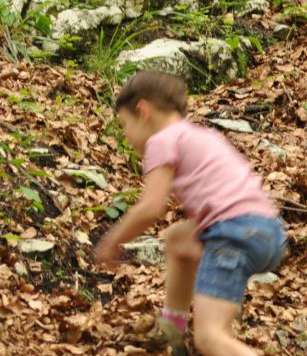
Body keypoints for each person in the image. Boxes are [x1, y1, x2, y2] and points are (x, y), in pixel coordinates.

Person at [92, 71, 286, 355]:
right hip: (268, 232)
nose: (126, 135)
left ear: (143, 111)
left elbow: (151, 207)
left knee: (209, 338)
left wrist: (112, 241)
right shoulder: (198, 134)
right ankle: (172, 332)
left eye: (124, 124)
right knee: (178, 238)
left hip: (233, 235)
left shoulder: (161, 141)